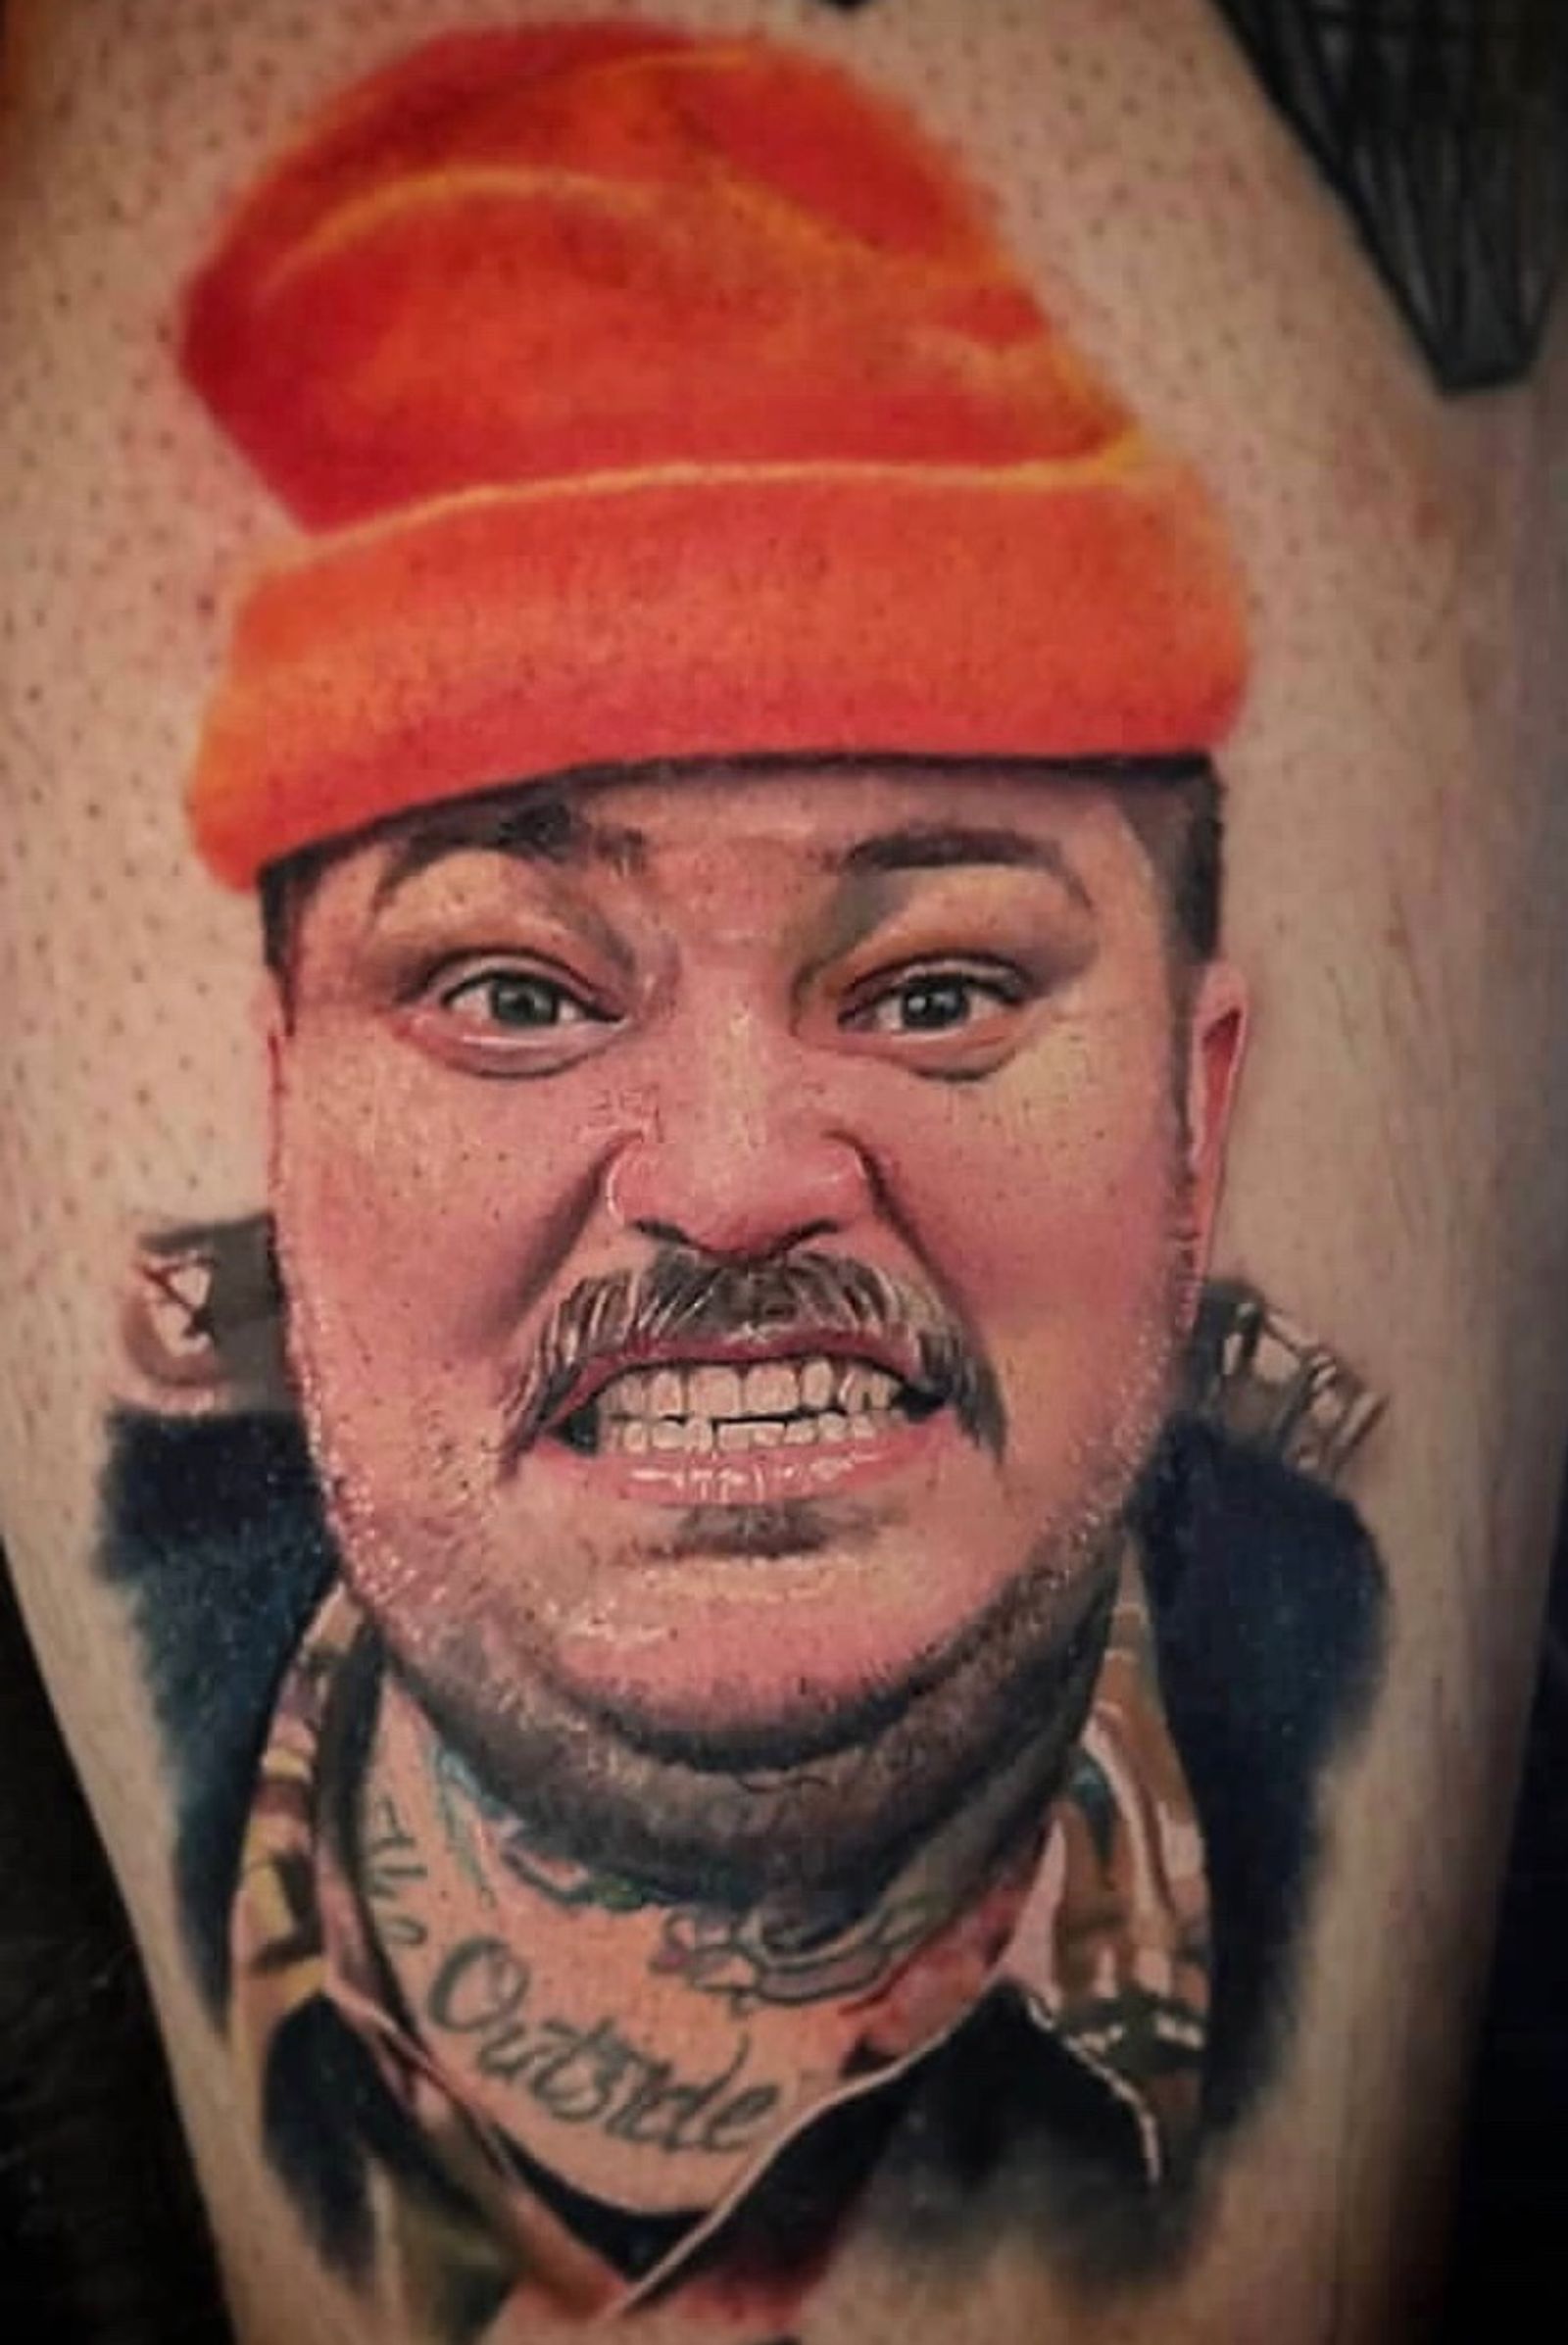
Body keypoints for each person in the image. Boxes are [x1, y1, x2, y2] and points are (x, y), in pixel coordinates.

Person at [5, 7, 1567, 2344]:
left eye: (934, 990)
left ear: (1197, 1109)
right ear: (277, 1109)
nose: (734, 1184)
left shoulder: (1316, 1698)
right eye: (513, 990)